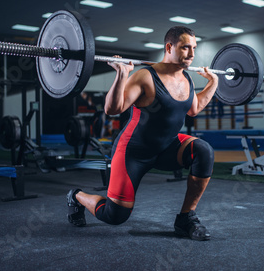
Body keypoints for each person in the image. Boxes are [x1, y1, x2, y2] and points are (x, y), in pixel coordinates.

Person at [66, 26, 219, 240]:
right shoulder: (145, 76)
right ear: (169, 47)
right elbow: (112, 109)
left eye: (194, 48)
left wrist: (214, 83)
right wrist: (121, 74)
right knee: (114, 215)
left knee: (203, 151)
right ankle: (76, 196)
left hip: (167, 148)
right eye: (185, 48)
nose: (192, 54)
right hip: (134, 153)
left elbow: (194, 108)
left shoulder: (187, 78)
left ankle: (186, 219)